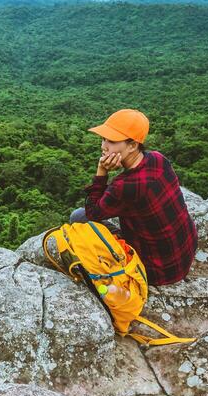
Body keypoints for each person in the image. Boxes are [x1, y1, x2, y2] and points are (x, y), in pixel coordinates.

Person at [67, 108, 197, 285]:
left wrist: (102, 171)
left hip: (155, 271)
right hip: (183, 257)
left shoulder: (124, 186)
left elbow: (92, 213)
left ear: (133, 145)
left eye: (111, 141)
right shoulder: (158, 159)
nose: (103, 146)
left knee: (78, 217)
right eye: (103, 139)